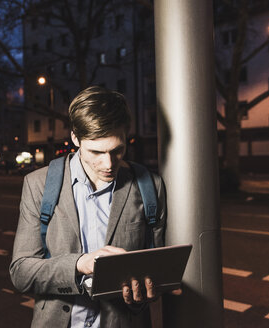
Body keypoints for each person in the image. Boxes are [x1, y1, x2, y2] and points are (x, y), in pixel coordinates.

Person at [10, 86, 167, 327]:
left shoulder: (150, 186)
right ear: (75, 138)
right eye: (96, 151)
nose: (108, 163)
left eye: (118, 151)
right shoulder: (38, 184)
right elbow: (21, 273)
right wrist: (80, 264)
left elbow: (157, 270)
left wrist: (143, 294)